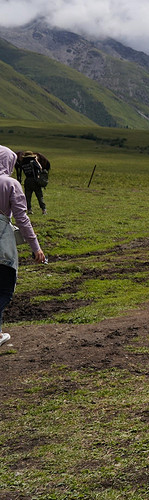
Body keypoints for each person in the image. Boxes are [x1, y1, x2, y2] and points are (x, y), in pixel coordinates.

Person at [1, 145, 47, 348]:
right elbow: (22, 218)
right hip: (1, 242)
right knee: (4, 289)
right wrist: (35, 246)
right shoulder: (10, 184)